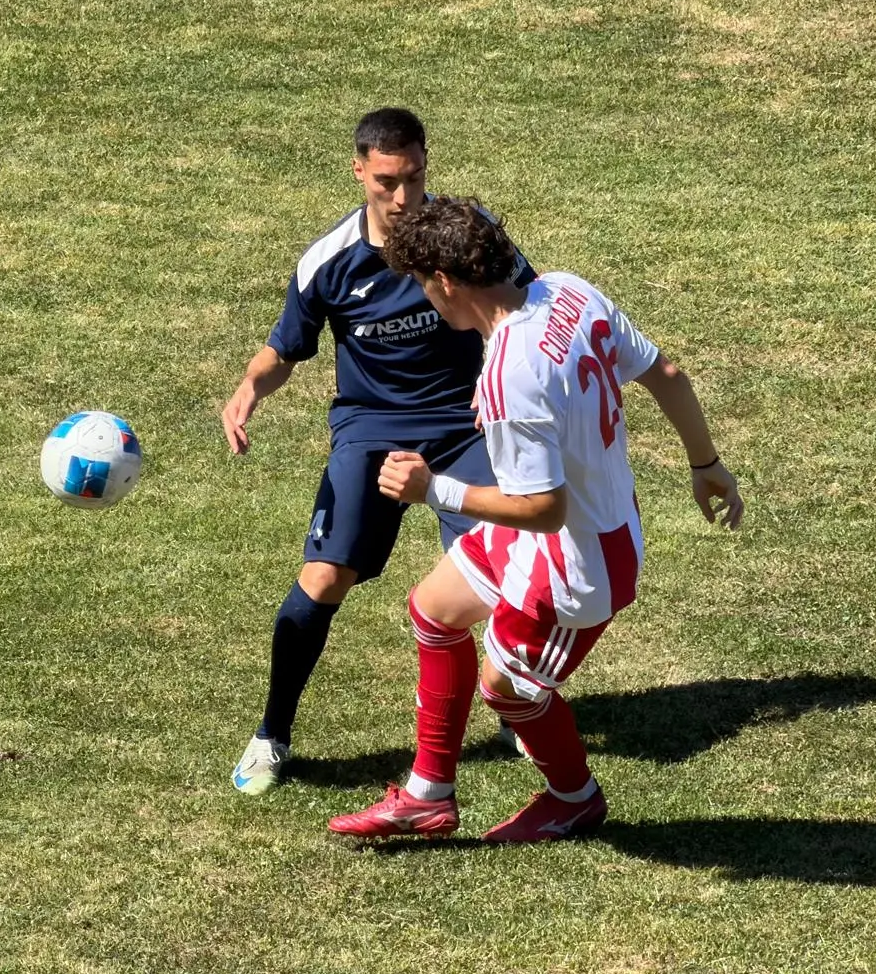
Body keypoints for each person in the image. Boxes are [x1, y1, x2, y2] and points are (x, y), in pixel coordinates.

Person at [325, 197, 744, 843]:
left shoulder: (508, 376)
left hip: (578, 565)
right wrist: (705, 463)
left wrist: (435, 490)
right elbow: (666, 373)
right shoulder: (568, 291)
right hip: (581, 526)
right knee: (434, 608)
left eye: (421, 286)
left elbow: (545, 510)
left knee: (510, 691)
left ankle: (573, 798)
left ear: (445, 283)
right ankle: (428, 795)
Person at [225, 110, 530, 795]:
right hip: (372, 428)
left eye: (414, 178)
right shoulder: (329, 261)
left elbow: (525, 303)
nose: (403, 197)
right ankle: (272, 733)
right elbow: (285, 349)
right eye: (387, 182)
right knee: (325, 577)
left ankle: (513, 702)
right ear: (359, 171)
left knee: (505, 569)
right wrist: (250, 387)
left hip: (467, 423)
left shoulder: (463, 234)